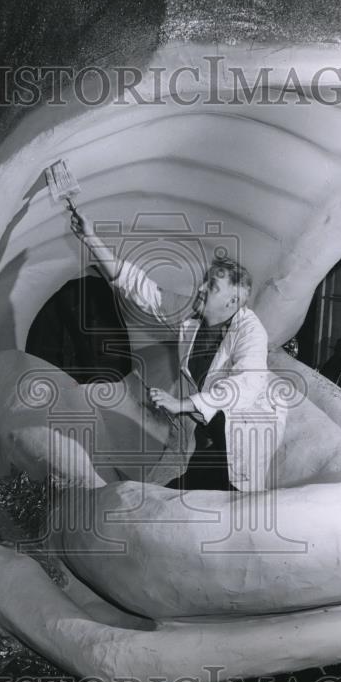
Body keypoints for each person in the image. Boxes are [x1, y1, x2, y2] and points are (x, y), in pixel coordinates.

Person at [70, 207, 285, 492]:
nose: (200, 288)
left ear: (232, 303)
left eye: (212, 286)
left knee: (229, 496)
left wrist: (181, 405)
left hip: (244, 430)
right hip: (209, 430)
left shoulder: (250, 331)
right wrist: (90, 239)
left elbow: (247, 383)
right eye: (205, 281)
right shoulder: (191, 316)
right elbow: (141, 290)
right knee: (187, 489)